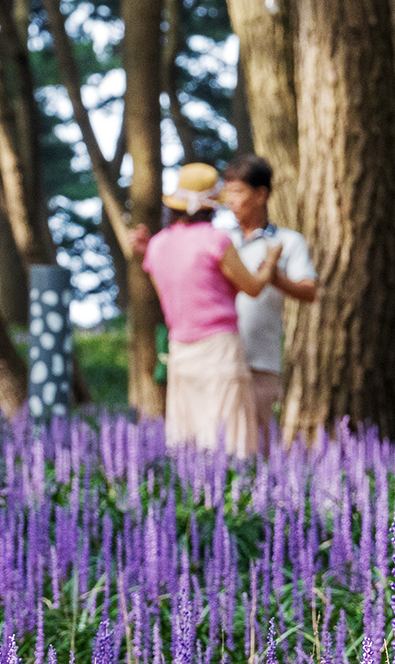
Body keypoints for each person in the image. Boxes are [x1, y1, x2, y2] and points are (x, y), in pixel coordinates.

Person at [131, 162, 279, 454]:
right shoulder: (215, 240)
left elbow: (169, 296)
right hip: (219, 350)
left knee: (189, 437)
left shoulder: (156, 246)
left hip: (180, 350)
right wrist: (270, 262)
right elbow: (252, 287)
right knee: (230, 438)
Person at [216, 154, 317, 444]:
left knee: (259, 442)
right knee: (219, 441)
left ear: (262, 195)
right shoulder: (219, 239)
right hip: (219, 358)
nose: (230, 201)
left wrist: (275, 278)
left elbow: (310, 290)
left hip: (261, 360)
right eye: (227, 192)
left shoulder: (287, 241)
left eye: (238, 192)